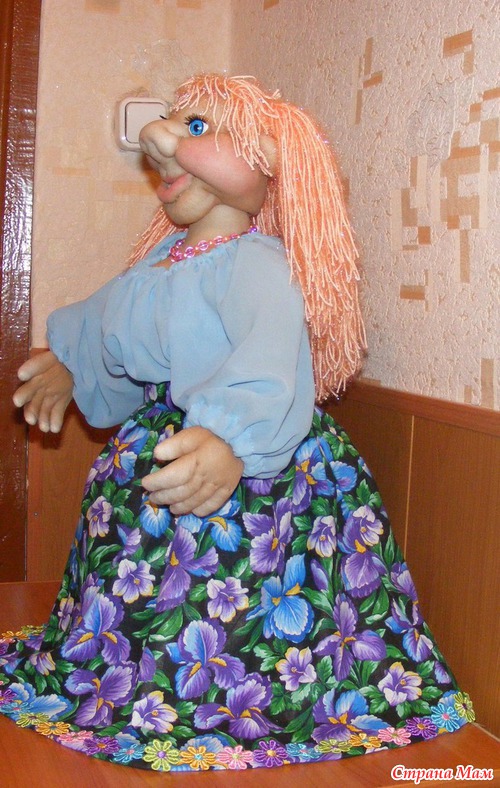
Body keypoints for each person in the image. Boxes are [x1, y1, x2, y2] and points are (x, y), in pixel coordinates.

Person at [0, 74, 473, 773]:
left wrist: (231, 436)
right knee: (142, 576)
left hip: (255, 460)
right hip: (165, 447)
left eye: (197, 129)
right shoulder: (160, 263)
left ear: (268, 160)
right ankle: (133, 679)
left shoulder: (257, 263)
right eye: (173, 126)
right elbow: (110, 323)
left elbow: (268, 358)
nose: (161, 142)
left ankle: (250, 694)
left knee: (233, 578)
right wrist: (75, 365)